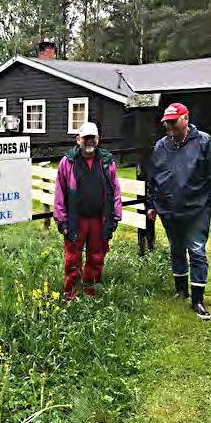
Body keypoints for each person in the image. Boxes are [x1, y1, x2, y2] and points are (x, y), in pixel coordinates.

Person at [147, 103, 211, 320]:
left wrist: (210, 202)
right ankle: (181, 291)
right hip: (169, 210)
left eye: (173, 121)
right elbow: (153, 177)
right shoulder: (161, 146)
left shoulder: (204, 142)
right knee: (176, 249)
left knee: (197, 251)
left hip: (197, 209)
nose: (169, 126)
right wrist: (152, 205)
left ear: (186, 118)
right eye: (166, 123)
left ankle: (197, 300)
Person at [54, 122, 122, 300]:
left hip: (100, 219)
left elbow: (115, 190)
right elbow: (59, 192)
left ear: (98, 139)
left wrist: (115, 216)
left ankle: (90, 292)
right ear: (78, 140)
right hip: (76, 219)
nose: (89, 141)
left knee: (97, 257)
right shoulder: (67, 162)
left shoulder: (107, 162)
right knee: (72, 259)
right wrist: (61, 220)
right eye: (86, 138)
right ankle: (71, 293)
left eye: (93, 138)